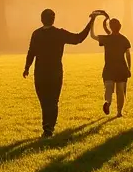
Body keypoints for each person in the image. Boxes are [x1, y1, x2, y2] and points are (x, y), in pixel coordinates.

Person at [23, 9, 97, 138]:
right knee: (53, 101)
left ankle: (47, 127)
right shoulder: (59, 33)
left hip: (40, 72)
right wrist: (92, 21)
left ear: (41, 19)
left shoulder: (36, 34)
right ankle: (49, 128)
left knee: (44, 101)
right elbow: (78, 38)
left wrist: (27, 67)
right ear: (53, 19)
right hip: (55, 72)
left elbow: (31, 51)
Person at [90, 14, 132, 116]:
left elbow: (92, 35)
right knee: (120, 90)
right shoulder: (124, 39)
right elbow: (128, 54)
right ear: (120, 26)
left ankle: (107, 102)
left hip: (109, 67)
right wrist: (129, 68)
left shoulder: (106, 38)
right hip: (121, 67)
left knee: (108, 87)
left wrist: (93, 20)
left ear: (110, 27)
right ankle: (119, 112)